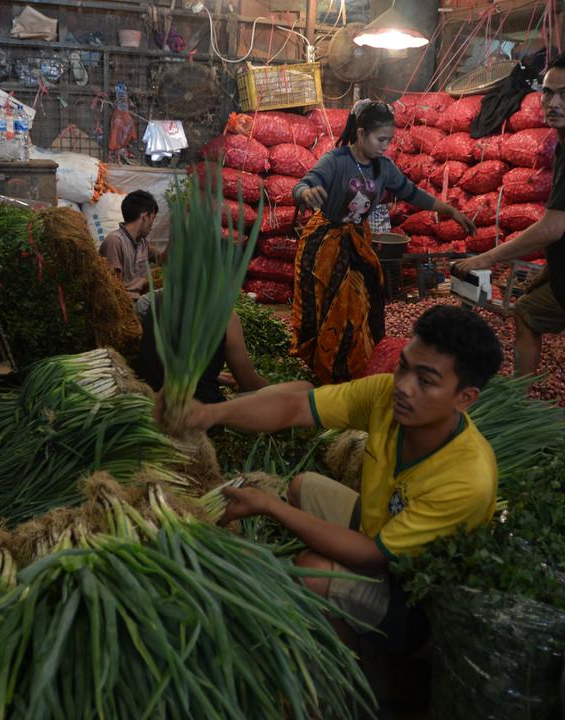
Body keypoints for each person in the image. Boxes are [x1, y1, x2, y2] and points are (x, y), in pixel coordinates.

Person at [177, 305, 503, 651]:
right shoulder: (384, 397)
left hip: (419, 600)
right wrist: (209, 413)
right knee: (305, 486)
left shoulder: (466, 480)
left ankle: (365, 671)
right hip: (381, 535)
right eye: (403, 366)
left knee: (313, 572)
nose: (403, 387)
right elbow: (295, 407)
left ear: (465, 399)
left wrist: (269, 507)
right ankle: (343, 612)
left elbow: (371, 556)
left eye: (425, 381)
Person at [454, 52, 565, 443]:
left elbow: (553, 228)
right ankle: (518, 403)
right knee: (528, 313)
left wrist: (485, 258)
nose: (553, 103)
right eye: (548, 93)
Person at [292, 99, 477, 384]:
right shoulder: (336, 161)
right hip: (325, 243)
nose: (384, 146)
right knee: (326, 303)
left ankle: (352, 363)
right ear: (362, 133)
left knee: (364, 299)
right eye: (380, 139)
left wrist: (450, 210)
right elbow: (305, 182)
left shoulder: (384, 168)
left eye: (389, 140)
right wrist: (306, 193)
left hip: (357, 240)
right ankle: (323, 367)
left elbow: (412, 193)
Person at [132, 291, 270, 406]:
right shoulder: (223, 312)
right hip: (199, 415)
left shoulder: (156, 300)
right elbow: (248, 383)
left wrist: (217, 376)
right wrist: (275, 390)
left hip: (150, 407)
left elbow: (169, 360)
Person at [99, 190, 159, 299]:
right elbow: (115, 289)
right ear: (145, 217)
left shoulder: (142, 243)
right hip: (128, 304)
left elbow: (163, 259)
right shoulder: (115, 241)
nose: (152, 225)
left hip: (140, 299)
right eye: (152, 219)